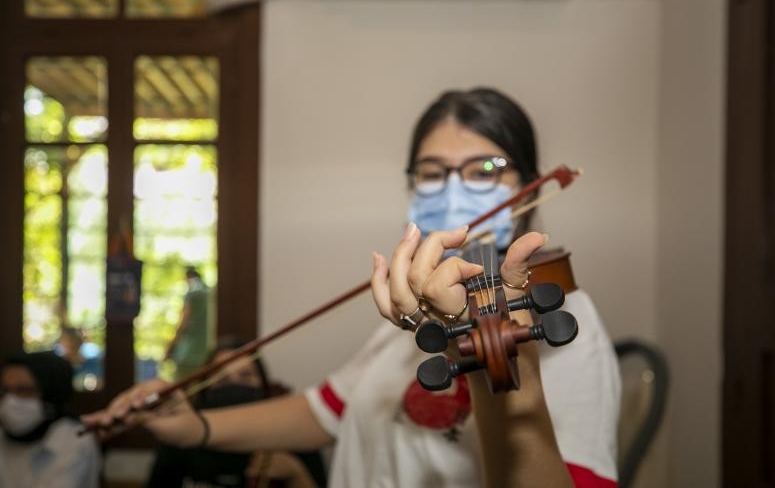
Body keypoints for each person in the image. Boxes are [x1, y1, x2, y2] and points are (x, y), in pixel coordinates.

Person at [84, 88, 620, 488]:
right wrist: (195, 427)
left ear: (525, 185)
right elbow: (326, 410)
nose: (455, 189)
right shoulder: (413, 313)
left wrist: (499, 357)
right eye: (433, 172)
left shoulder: (569, 321)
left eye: (486, 169)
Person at [147, 337, 325, 488]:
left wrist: (296, 473)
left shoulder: (293, 432)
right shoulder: (182, 437)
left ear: (262, 384)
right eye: (222, 379)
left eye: (245, 376)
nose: (234, 386)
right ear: (205, 388)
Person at [0, 351, 100, 488]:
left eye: (23, 390)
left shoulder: (74, 439)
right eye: (5, 390)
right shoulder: (3, 436)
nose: (11, 401)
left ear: (50, 395)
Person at [166, 266, 213, 380]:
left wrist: (170, 346)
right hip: (205, 351)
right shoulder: (208, 290)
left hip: (187, 353)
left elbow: (185, 320)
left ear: (187, 276)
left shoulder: (192, 291)